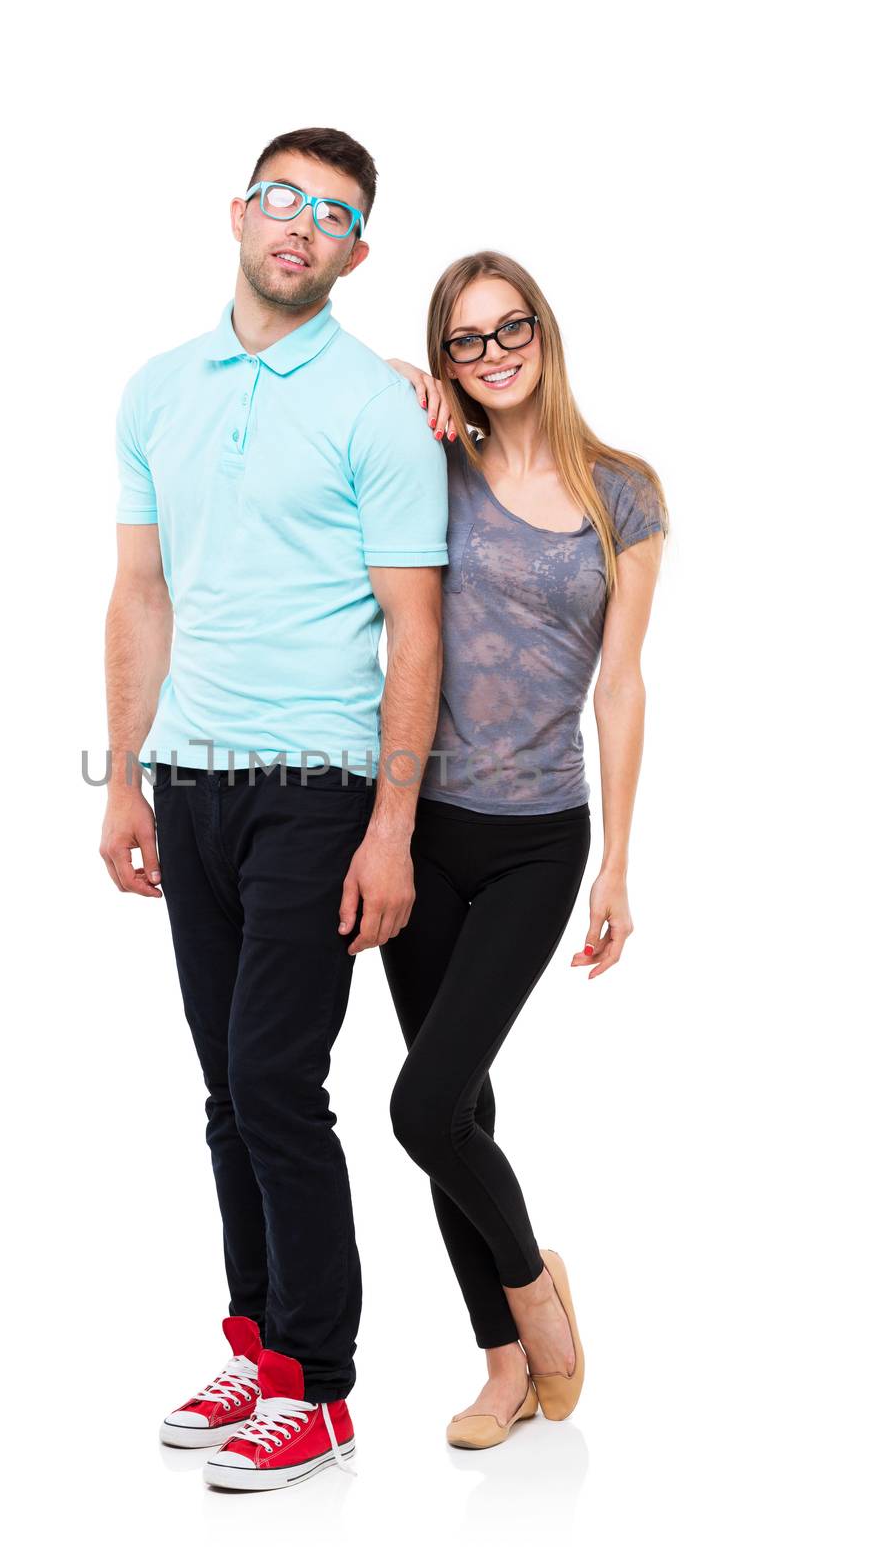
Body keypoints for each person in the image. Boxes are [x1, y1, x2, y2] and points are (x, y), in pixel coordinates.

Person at [100, 128, 449, 1491]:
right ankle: (255, 1341)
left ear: (355, 253)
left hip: (317, 786)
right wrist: (123, 774)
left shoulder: (378, 406)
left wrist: (389, 827)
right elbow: (139, 594)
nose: (303, 223)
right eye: (285, 198)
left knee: (272, 1081)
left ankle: (319, 1384)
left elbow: (410, 636)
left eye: (335, 213)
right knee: (223, 1093)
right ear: (238, 213)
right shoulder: (153, 390)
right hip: (186, 782)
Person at [382, 250, 669, 1448]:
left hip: (536, 841)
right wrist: (398, 372)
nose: (492, 354)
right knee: (459, 1112)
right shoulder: (428, 467)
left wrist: (615, 862)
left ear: (543, 334)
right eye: (464, 341)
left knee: (422, 1104)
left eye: (511, 331)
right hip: (413, 830)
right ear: (447, 356)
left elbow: (620, 684)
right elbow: (341, 384)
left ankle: (534, 1291)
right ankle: (504, 1362)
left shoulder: (625, 491)